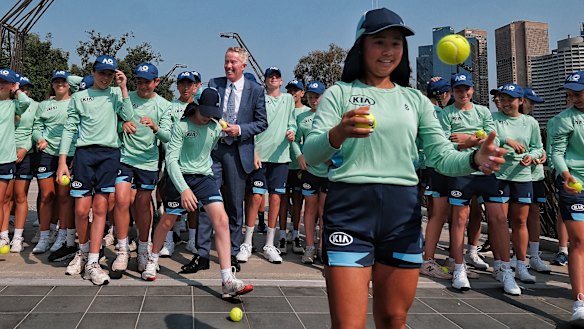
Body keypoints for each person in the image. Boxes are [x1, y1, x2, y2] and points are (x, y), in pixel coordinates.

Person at [302, 8, 507, 328]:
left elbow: (441, 156)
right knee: (347, 324)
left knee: (394, 319)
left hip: (401, 213)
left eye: (396, 42)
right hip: (349, 211)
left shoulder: (416, 100)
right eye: (379, 41)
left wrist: (474, 160)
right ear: (361, 46)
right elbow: (312, 154)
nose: (388, 50)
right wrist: (338, 132)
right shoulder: (338, 95)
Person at [141, 88, 254, 299]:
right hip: (180, 176)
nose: (208, 118)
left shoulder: (214, 125)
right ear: (197, 107)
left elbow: (214, 141)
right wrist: (183, 189)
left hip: (204, 178)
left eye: (212, 113)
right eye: (205, 113)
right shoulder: (181, 126)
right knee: (167, 221)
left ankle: (227, 280)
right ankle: (152, 260)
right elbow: (171, 160)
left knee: (221, 220)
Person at [56, 55, 134, 285]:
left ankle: (92, 261)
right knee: (81, 210)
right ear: (93, 72)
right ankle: (82, 252)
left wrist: (124, 87)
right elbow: (69, 129)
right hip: (84, 156)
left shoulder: (115, 94)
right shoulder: (80, 97)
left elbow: (128, 116)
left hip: (109, 155)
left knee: (100, 208)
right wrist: (62, 162)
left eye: (110, 74)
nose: (105, 78)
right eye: (102, 73)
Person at [193, 47, 267, 273]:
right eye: (226, 62)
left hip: (238, 153)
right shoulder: (214, 84)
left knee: (235, 207)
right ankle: (202, 254)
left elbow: (262, 122)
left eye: (233, 62)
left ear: (243, 66)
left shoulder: (255, 89)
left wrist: (240, 129)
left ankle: (232, 254)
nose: (228, 66)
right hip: (214, 151)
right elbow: (202, 109)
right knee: (207, 203)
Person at [112, 63, 172, 274]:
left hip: (148, 161)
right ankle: (122, 250)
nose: (143, 85)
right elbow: (117, 121)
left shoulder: (164, 105)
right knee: (121, 198)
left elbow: (168, 136)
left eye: (147, 81)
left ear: (156, 82)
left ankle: (143, 249)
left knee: (143, 203)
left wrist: (156, 128)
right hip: (125, 157)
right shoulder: (125, 97)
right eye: (139, 81)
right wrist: (122, 125)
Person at [237, 66, 296, 264]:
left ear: (281, 81)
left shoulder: (288, 99)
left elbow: (292, 122)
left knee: (277, 199)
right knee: (255, 197)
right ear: (265, 81)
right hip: (260, 156)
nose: (273, 79)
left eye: (276, 77)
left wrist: (291, 131)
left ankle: (269, 244)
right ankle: (247, 242)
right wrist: (253, 151)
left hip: (281, 157)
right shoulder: (258, 97)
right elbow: (252, 125)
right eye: (270, 77)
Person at [491, 84, 544, 284]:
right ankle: (500, 264)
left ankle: (521, 264)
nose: (505, 103)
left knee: (520, 222)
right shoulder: (493, 119)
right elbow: (488, 138)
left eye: (510, 99)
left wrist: (531, 156)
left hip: (522, 176)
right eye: (503, 99)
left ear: (520, 101)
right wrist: (508, 140)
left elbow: (538, 148)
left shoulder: (530, 122)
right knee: (499, 221)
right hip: (499, 176)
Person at [31, 70, 77, 260]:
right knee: (46, 196)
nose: (60, 84)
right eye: (56, 81)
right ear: (52, 84)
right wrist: (39, 138)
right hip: (47, 155)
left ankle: (62, 235)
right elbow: (36, 127)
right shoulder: (44, 105)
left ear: (69, 84)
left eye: (64, 81)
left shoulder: (76, 101)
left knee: (64, 197)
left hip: (70, 154)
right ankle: (44, 236)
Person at [551, 70, 584, 326]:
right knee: (579, 241)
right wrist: (566, 175)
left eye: (580, 93)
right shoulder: (563, 119)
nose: (575, 98)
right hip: (573, 185)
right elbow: (557, 153)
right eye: (571, 94)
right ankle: (579, 303)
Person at [420, 77, 453, 280]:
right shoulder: (441, 114)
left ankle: (426, 255)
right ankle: (429, 259)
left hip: (421, 165)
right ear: (442, 95)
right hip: (435, 166)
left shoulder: (420, 108)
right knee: (438, 214)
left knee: (428, 212)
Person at [296, 80, 328, 264]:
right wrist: (299, 155)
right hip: (310, 170)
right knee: (309, 209)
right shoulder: (302, 118)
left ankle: (323, 247)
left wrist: (331, 157)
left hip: (328, 172)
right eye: (310, 97)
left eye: (317, 97)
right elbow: (295, 140)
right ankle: (309, 247)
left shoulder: (332, 117)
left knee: (324, 211)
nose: (314, 100)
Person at [521, 87, 553, 273]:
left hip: (535, 175)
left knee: (534, 213)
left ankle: (534, 255)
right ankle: (518, 257)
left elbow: (538, 146)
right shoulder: (502, 120)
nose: (531, 106)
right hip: (513, 176)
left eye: (533, 103)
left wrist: (542, 154)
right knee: (516, 217)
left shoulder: (532, 122)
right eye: (529, 101)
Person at [0, 68, 31, 249]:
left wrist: (17, 89)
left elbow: (25, 101)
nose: (0, 85)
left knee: (4, 199)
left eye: (4, 82)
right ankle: (3, 235)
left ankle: (3, 235)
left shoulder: (13, 105)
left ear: (11, 86)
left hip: (5, 160)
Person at [7, 75, 38, 253]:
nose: (24, 90)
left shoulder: (35, 105)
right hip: (6, 153)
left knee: (20, 196)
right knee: (5, 197)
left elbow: (35, 130)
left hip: (25, 153)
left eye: (27, 87)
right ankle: (6, 231)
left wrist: (25, 149)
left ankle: (18, 237)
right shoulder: (6, 104)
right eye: (20, 87)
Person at [284, 79, 310, 255]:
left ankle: (295, 234)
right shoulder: (283, 108)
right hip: (281, 162)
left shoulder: (308, 112)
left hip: (299, 164)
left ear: (302, 93)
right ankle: (281, 235)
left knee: (298, 201)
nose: (293, 93)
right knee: (281, 200)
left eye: (296, 90)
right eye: (290, 89)